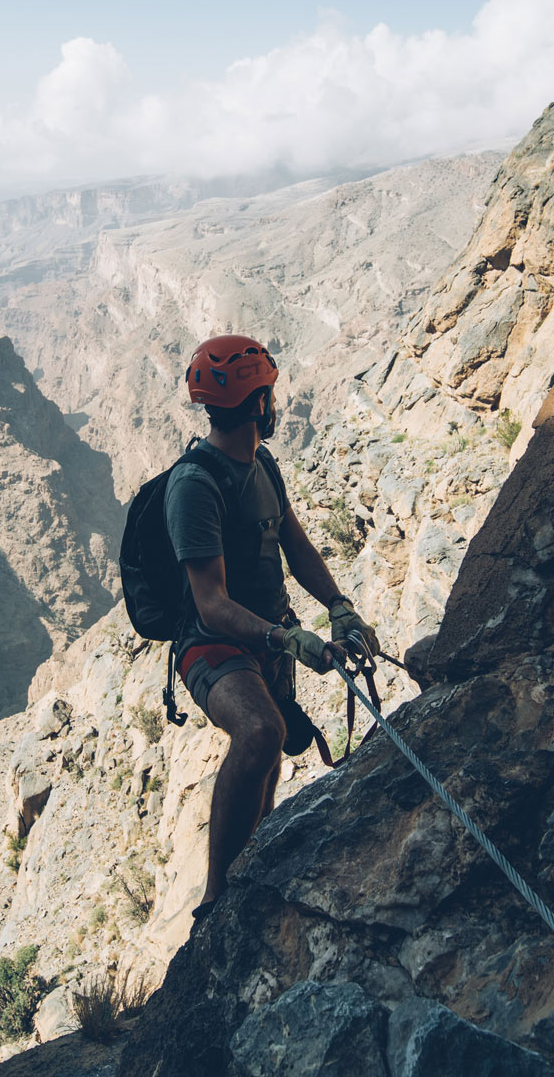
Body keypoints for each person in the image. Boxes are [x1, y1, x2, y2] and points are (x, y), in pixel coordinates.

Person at [167, 333, 380, 920]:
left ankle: (246, 874)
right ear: (255, 402)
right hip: (212, 643)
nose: (275, 404)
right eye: (268, 393)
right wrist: (284, 637)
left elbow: (296, 547)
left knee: (272, 754)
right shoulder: (195, 485)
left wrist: (339, 605)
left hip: (267, 639)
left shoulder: (261, 465)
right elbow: (209, 602)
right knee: (260, 733)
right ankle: (215, 901)